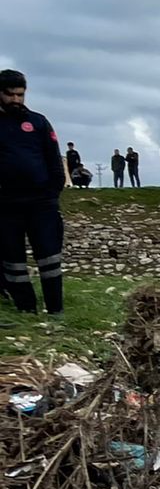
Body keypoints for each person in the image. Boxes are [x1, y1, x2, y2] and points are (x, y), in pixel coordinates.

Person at [0, 69, 68, 316]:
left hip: (42, 202)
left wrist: (53, 192)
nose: (16, 100)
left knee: (49, 257)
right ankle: (26, 308)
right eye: (10, 95)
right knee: (13, 260)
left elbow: (54, 158)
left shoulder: (38, 122)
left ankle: (55, 310)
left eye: (20, 94)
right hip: (7, 204)